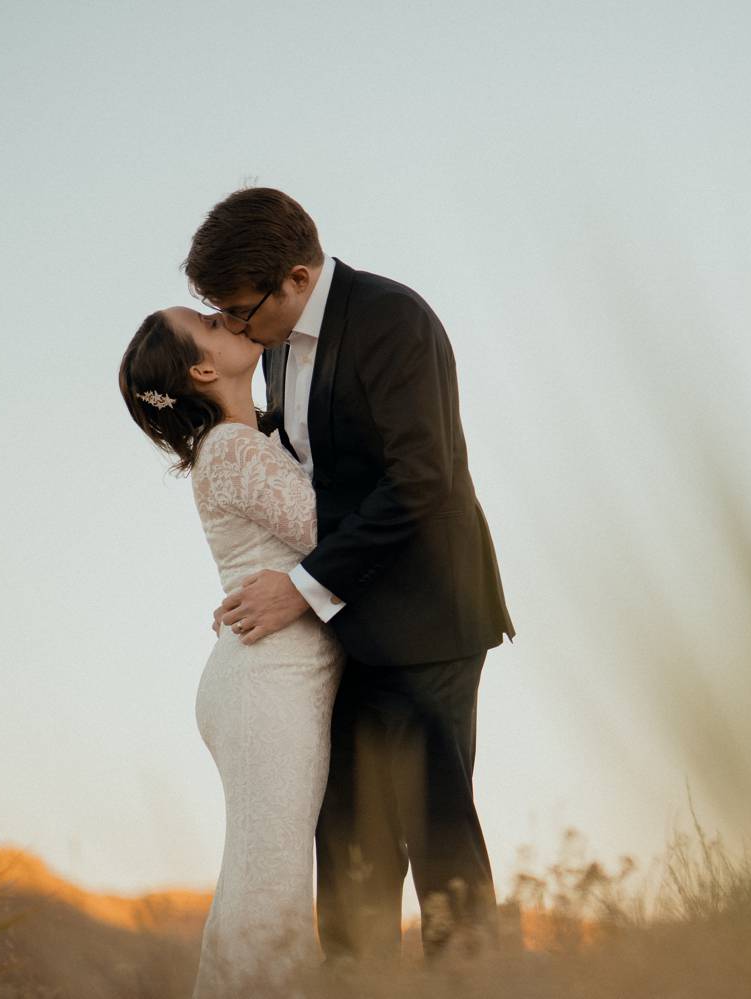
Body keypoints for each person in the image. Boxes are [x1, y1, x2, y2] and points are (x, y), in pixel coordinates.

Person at [186, 187, 516, 963]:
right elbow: (314, 479)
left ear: (297, 278)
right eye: (223, 315)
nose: (235, 327)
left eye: (240, 309)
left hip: (429, 622)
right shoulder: (271, 345)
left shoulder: (393, 320)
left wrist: (296, 587)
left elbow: (423, 482)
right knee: (349, 860)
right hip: (343, 637)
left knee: (438, 845)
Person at [119, 306, 342, 996]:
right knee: (269, 889)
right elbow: (327, 531)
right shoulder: (233, 448)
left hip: (263, 676)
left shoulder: (242, 441)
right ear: (203, 369)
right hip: (266, 683)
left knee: (258, 879)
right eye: (212, 323)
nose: (230, 318)